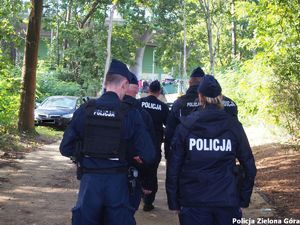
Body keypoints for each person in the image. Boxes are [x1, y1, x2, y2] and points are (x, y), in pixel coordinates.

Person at [60, 59, 156, 225]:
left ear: (105, 83)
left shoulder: (85, 110)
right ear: (125, 84)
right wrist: (131, 155)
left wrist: (84, 153)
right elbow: (149, 154)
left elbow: (65, 148)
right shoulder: (130, 114)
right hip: (117, 184)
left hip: (89, 183)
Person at [166, 75, 256, 225]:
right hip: (226, 200)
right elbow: (249, 166)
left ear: (200, 97)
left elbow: (173, 167)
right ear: (220, 97)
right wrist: (243, 200)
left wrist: (174, 202)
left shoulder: (186, 126)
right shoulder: (233, 126)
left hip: (193, 201)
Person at [165, 67, 238, 159]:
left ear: (190, 82)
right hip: (222, 156)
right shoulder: (228, 103)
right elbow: (237, 134)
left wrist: (169, 156)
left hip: (189, 158)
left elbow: (170, 132)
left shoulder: (179, 103)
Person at [122, 72, 156, 211]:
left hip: (98, 177)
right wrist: (148, 182)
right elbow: (149, 153)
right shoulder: (142, 115)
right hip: (132, 175)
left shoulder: (95, 109)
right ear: (137, 90)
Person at [139, 80, 170, 211]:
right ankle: (148, 202)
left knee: (139, 172)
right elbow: (169, 126)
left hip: (139, 145)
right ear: (159, 92)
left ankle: (138, 196)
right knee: (151, 173)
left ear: (149, 90)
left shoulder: (139, 103)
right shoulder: (163, 107)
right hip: (154, 146)